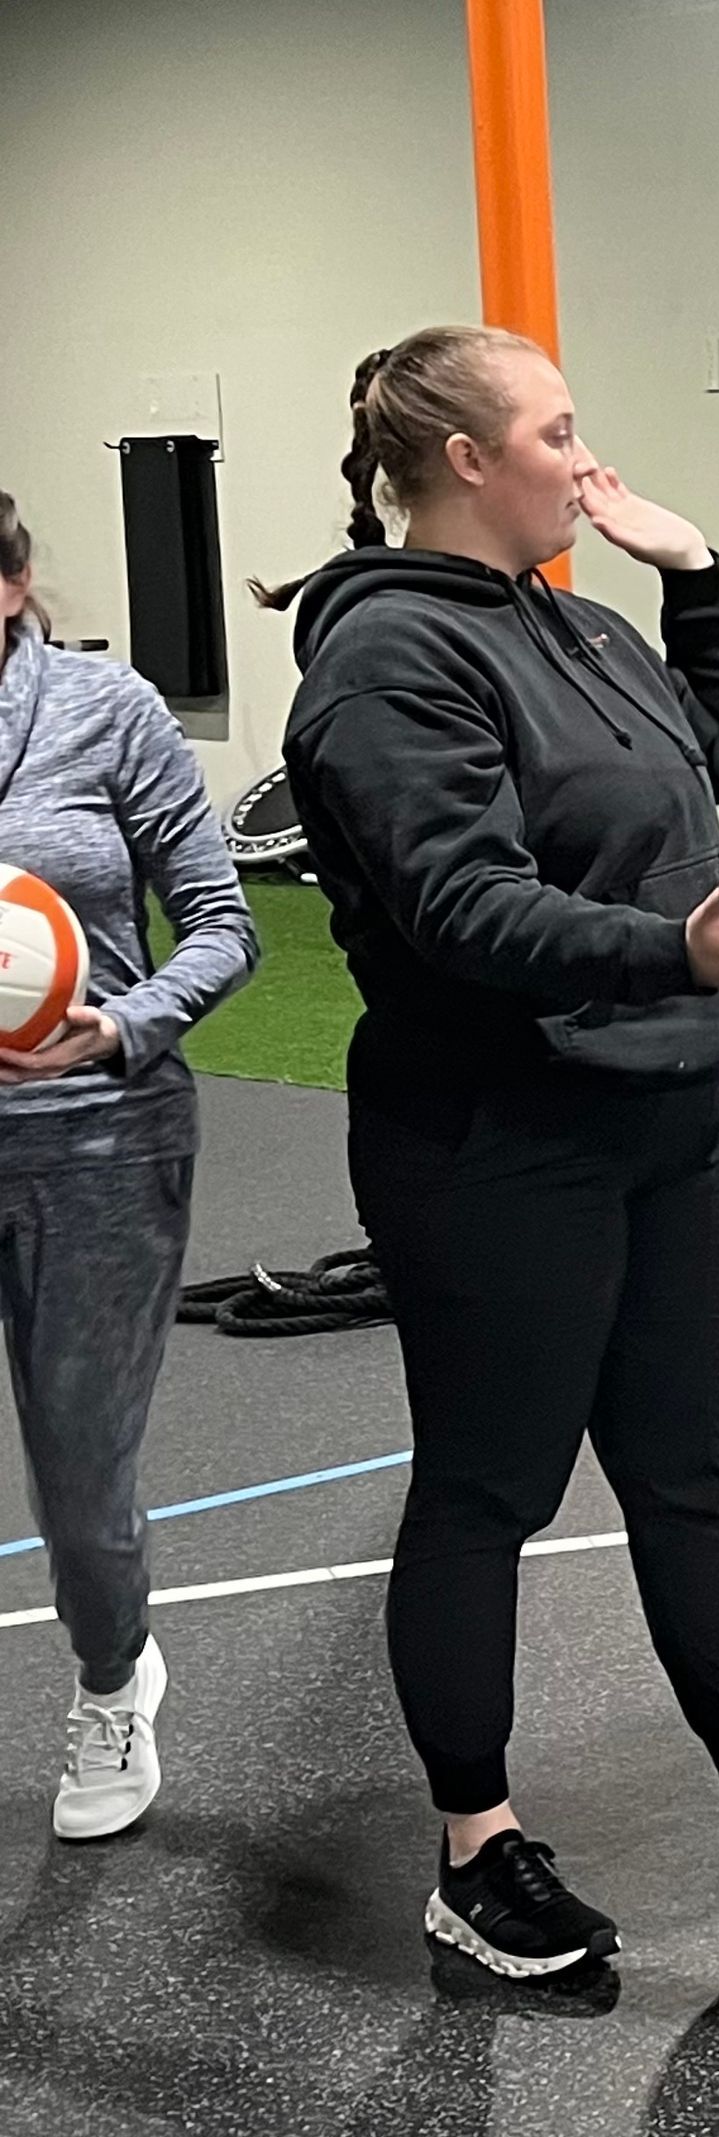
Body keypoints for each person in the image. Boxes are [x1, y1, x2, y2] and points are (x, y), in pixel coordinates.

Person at [255, 325, 719, 1979]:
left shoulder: (578, 621)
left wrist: (697, 576)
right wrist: (681, 957)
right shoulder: (385, 661)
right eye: (557, 430)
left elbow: (711, 761)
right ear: (467, 460)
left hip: (674, 1119)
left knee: (698, 1481)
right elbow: (463, 908)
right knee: (488, 1493)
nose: (583, 455)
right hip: (497, 1136)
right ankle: (475, 1848)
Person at [0, 489, 258, 1838]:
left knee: (80, 1474)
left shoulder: (110, 711)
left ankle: (113, 1678)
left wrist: (123, 1023)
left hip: (96, 1139)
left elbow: (221, 922)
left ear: (14, 582)